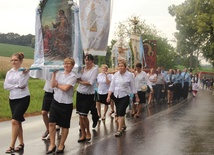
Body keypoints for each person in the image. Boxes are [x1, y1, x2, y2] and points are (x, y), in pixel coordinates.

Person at [46, 57, 77, 154]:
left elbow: (66, 88)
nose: (66, 65)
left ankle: (61, 144)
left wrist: (57, 85)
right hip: (56, 100)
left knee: (64, 125)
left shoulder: (73, 76)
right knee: (51, 123)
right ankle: (52, 144)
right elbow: (52, 85)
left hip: (66, 103)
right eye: (65, 63)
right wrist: (54, 75)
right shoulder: (59, 74)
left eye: (68, 64)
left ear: (72, 66)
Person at [4, 52, 30, 154]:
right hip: (13, 99)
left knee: (14, 121)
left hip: (23, 98)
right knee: (17, 121)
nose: (14, 62)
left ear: (21, 61)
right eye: (12, 60)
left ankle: (11, 146)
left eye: (16, 60)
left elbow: (22, 85)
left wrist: (23, 75)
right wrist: (15, 86)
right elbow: (5, 86)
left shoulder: (25, 72)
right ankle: (21, 143)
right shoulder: (9, 72)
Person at [106, 60, 139, 137]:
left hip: (125, 95)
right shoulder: (116, 75)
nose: (120, 67)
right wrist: (108, 96)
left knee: (121, 112)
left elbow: (133, 86)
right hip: (116, 95)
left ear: (125, 67)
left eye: (122, 66)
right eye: (119, 66)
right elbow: (112, 86)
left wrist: (136, 96)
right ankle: (123, 125)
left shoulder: (130, 75)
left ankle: (119, 129)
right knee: (119, 112)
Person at [76, 54, 99, 142]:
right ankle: (83, 133)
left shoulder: (95, 69)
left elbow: (90, 82)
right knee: (80, 116)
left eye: (89, 60)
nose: (87, 61)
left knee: (83, 115)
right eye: (86, 60)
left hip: (88, 94)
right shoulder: (82, 69)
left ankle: (88, 132)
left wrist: (80, 82)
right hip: (80, 93)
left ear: (92, 61)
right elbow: (77, 78)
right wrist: (79, 79)